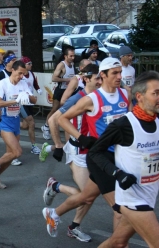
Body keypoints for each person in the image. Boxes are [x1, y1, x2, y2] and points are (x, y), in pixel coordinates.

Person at [42, 57, 130, 238]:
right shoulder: (91, 99)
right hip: (100, 157)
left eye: (120, 72)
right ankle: (118, 242)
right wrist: (80, 138)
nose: (119, 76)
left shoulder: (125, 94)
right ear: (102, 76)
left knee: (86, 196)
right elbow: (60, 119)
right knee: (120, 210)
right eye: (115, 73)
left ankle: (54, 213)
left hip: (121, 156)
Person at [88, 71, 159, 247]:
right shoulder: (123, 125)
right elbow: (95, 152)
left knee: (118, 242)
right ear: (139, 97)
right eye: (156, 93)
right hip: (132, 198)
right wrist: (117, 173)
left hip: (150, 195)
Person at [40, 65, 102, 242]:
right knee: (86, 196)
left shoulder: (101, 96)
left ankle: (74, 226)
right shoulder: (78, 98)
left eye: (100, 78)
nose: (99, 81)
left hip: (96, 151)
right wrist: (58, 145)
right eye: (96, 78)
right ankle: (56, 188)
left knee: (90, 194)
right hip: (78, 150)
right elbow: (54, 119)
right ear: (86, 79)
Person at [0, 60, 37, 188]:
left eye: (24, 74)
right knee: (17, 152)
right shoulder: (3, 83)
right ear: (13, 70)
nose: (21, 76)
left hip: (15, 120)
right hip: (4, 120)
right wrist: (15, 100)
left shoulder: (23, 83)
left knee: (10, 156)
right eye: (20, 73)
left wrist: (27, 96)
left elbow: (34, 99)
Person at [43, 63, 95, 162]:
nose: (100, 82)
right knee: (70, 149)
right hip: (75, 129)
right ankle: (53, 147)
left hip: (93, 141)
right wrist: (72, 111)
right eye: (97, 79)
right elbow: (63, 101)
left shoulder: (102, 93)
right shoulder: (76, 84)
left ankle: (49, 148)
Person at [41, 46, 75, 140]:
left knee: (69, 109)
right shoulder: (62, 65)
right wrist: (67, 79)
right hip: (60, 90)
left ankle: (69, 131)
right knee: (55, 109)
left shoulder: (72, 64)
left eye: (73, 56)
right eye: (71, 56)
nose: (73, 58)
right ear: (65, 56)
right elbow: (54, 78)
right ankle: (46, 126)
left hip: (69, 91)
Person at [20, 56, 42, 155]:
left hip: (30, 102)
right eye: (29, 63)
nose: (31, 65)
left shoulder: (31, 73)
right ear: (24, 65)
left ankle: (2, 125)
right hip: (23, 102)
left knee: (25, 125)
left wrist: (38, 89)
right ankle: (34, 146)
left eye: (31, 63)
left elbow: (35, 83)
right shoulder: (20, 76)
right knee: (32, 123)